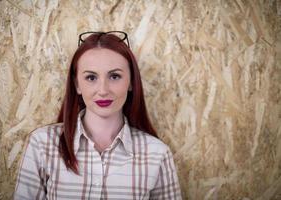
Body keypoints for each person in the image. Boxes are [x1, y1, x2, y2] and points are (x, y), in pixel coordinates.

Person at [14, 31, 182, 199]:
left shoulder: (157, 154)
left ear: (131, 82)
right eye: (91, 77)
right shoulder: (42, 145)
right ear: (77, 85)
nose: (103, 90)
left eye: (115, 76)